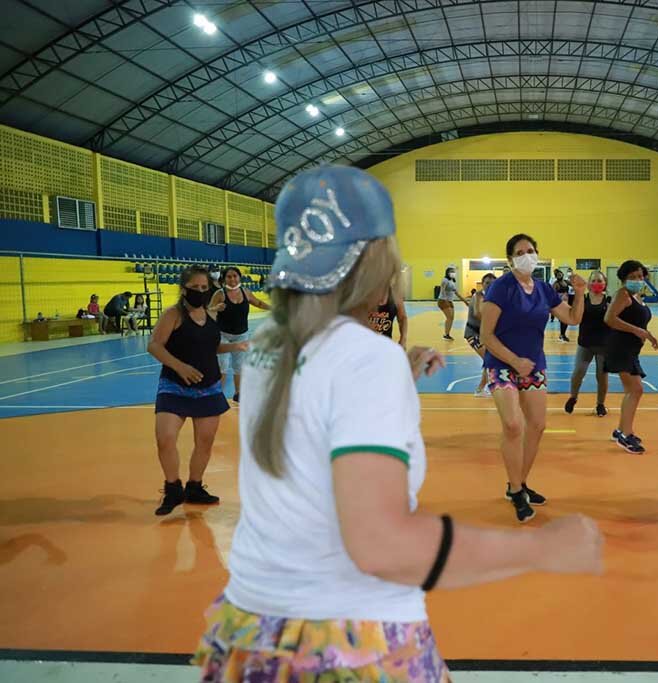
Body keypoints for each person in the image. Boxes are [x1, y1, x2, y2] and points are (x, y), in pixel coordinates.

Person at [194, 166, 602, 680]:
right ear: (370, 264)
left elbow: (313, 424)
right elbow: (382, 542)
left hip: (258, 628)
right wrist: (540, 548)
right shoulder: (364, 358)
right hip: (351, 631)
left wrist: (395, 376)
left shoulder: (270, 346)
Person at [480, 234, 586, 522]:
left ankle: (519, 483)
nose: (527, 255)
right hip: (502, 364)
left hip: (534, 365)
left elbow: (572, 319)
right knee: (513, 425)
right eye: (520, 251)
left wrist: (578, 292)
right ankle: (515, 490)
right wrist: (515, 361)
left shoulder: (543, 288)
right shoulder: (501, 289)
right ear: (511, 258)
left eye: (531, 250)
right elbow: (485, 336)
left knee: (537, 425)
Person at [147, 266, 248, 516]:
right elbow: (155, 346)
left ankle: (194, 487)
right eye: (196, 288)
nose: (201, 292)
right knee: (165, 438)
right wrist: (180, 367)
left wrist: (236, 346)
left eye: (205, 288)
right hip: (174, 385)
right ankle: (173, 489)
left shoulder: (211, 315)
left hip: (208, 386)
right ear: (184, 289)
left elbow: (210, 347)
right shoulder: (173, 314)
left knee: (205, 441)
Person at [604, 262, 658, 454]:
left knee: (633, 390)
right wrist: (637, 331)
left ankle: (620, 430)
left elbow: (637, 321)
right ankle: (626, 435)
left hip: (631, 349)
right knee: (635, 390)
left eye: (640, 276)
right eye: (633, 276)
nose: (638, 280)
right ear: (624, 278)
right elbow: (609, 319)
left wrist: (648, 335)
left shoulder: (636, 296)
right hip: (620, 347)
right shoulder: (623, 295)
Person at [210, 267, 272, 403]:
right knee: (223, 365)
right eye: (229, 277)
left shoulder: (246, 292)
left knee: (239, 366)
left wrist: (273, 309)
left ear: (239, 277)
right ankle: (217, 394)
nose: (232, 279)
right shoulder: (220, 294)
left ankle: (239, 393)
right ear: (224, 279)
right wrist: (216, 308)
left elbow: (259, 302)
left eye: (235, 276)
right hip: (223, 335)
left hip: (241, 335)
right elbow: (209, 310)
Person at [565, 271, 611, 417]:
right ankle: (573, 397)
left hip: (604, 344)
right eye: (594, 280)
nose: (597, 283)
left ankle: (600, 404)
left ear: (605, 283)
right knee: (578, 371)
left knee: (602, 376)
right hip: (585, 343)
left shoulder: (610, 300)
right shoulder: (582, 299)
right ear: (589, 283)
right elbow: (574, 314)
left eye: (600, 280)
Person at [465, 273, 496, 397]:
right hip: (473, 333)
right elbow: (478, 313)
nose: (490, 285)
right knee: (490, 360)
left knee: (488, 359)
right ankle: (490, 386)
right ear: (482, 284)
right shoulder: (478, 296)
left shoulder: (495, 297)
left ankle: (480, 388)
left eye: (493, 282)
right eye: (487, 282)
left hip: (486, 334)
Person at [437, 267, 467, 341]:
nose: (453, 273)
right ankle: (446, 335)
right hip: (443, 301)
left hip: (450, 301)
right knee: (449, 317)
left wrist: (465, 301)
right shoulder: (445, 280)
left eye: (453, 271)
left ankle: (447, 334)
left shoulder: (452, 281)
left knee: (451, 318)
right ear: (447, 273)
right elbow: (442, 291)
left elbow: (456, 293)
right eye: (451, 271)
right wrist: (446, 300)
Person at [552, 269, 571, 341]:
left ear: (562, 274)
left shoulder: (566, 282)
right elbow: (552, 294)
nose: (560, 276)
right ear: (556, 276)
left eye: (560, 274)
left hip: (567, 302)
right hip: (560, 303)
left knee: (566, 320)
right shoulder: (556, 284)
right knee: (564, 319)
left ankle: (563, 334)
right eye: (558, 275)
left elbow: (573, 284)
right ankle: (562, 335)